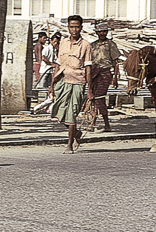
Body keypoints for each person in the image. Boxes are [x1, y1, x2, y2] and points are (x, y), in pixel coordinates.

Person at [49, 15, 94, 154]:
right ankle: (75, 133)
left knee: (71, 113)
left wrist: (90, 90)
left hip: (77, 82)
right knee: (58, 111)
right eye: (72, 27)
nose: (74, 30)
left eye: (77, 27)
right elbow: (58, 65)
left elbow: (88, 68)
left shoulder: (86, 45)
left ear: (81, 28)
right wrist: (52, 84)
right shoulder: (63, 42)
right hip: (62, 81)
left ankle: (69, 144)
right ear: (68, 28)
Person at [90, 22, 121, 132]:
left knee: (99, 97)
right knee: (92, 97)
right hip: (94, 74)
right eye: (100, 31)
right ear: (97, 33)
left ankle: (106, 123)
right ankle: (93, 122)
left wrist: (115, 77)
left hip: (105, 73)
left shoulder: (110, 44)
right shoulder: (92, 45)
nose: (102, 33)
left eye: (104, 31)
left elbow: (115, 62)